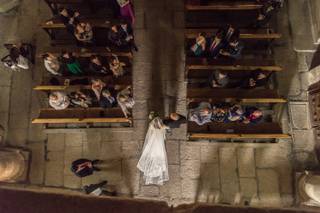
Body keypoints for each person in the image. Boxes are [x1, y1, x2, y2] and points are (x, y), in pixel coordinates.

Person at [137, 112, 169, 185]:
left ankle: (153, 169)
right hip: (157, 140)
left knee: (154, 154)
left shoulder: (152, 124)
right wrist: (165, 128)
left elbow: (151, 133)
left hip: (154, 140)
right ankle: (154, 169)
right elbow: (162, 128)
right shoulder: (155, 123)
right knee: (157, 153)